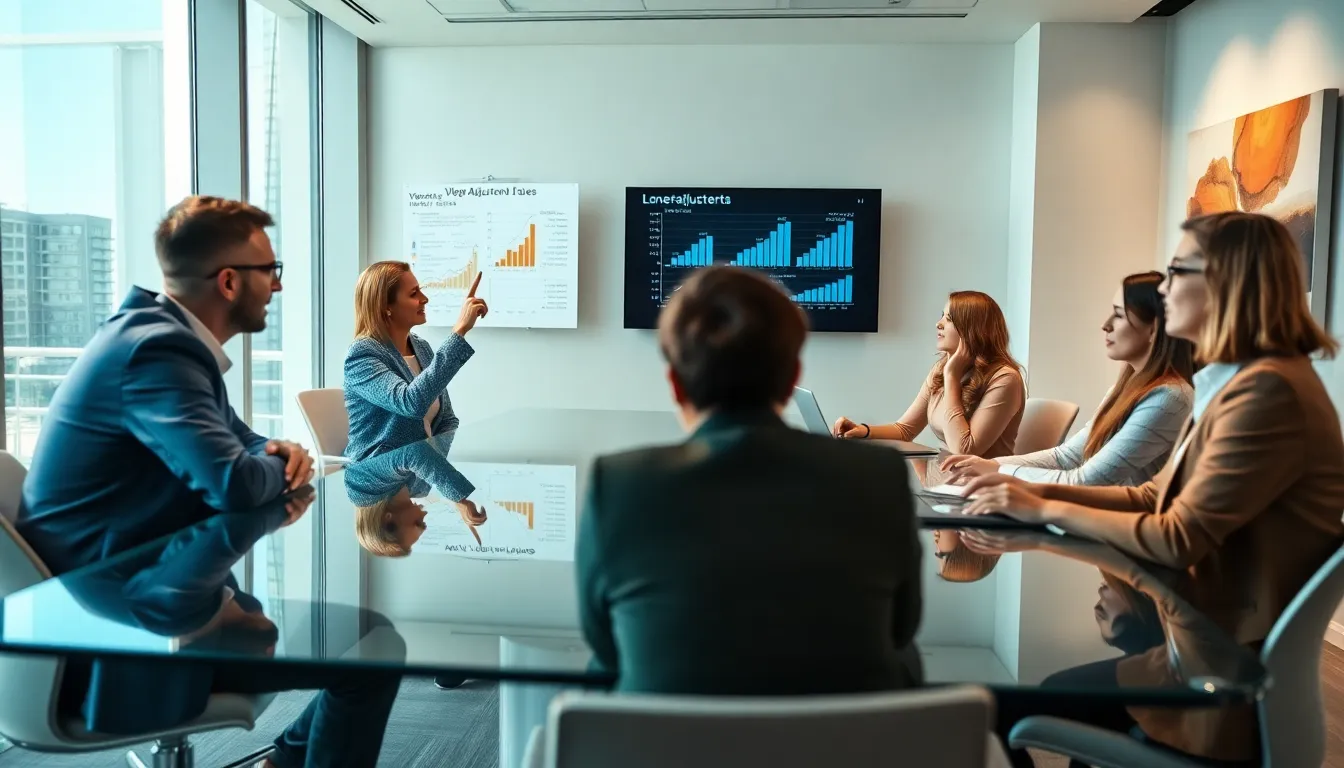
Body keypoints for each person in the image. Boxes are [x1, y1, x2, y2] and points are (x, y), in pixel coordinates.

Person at [16, 196, 399, 768]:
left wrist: (277, 454)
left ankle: (286, 761)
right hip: (112, 623)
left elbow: (245, 445)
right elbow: (235, 484)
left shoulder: (166, 338)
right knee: (374, 650)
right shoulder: (156, 351)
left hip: (141, 581)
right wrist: (274, 462)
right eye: (270, 271)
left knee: (368, 639)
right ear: (227, 282)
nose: (277, 285)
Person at [962, 211, 1344, 766]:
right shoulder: (1241, 383)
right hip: (1197, 648)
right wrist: (1036, 503)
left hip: (1219, 687)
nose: (1162, 290)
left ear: (1226, 282)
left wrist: (1040, 504)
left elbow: (1177, 537)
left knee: (995, 709)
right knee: (1028, 698)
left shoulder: (1267, 394)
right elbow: (1152, 497)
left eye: (1175, 272)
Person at [577, 265, 924, 695]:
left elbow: (606, 647)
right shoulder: (879, 477)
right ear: (792, 377)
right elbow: (902, 628)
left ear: (675, 384)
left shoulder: (618, 484)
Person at [942, 272, 1195, 487]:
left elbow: (1085, 480)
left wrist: (998, 472)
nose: (1106, 325)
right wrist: (988, 464)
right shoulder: (1126, 388)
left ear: (1153, 329)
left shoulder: (1169, 398)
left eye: (1118, 314)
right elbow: (1068, 457)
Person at [832, 291, 1026, 458]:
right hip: (949, 481)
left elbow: (965, 450)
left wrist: (951, 376)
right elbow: (905, 429)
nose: (938, 324)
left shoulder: (1005, 379)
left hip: (983, 489)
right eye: (942, 316)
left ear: (972, 332)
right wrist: (863, 431)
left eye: (949, 319)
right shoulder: (940, 369)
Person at [344, 261, 488, 461]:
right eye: (414, 294)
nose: (425, 299)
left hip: (418, 475)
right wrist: (459, 332)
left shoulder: (421, 347)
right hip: (380, 481)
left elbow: (446, 419)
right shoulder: (362, 355)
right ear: (386, 306)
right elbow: (411, 404)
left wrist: (439, 474)